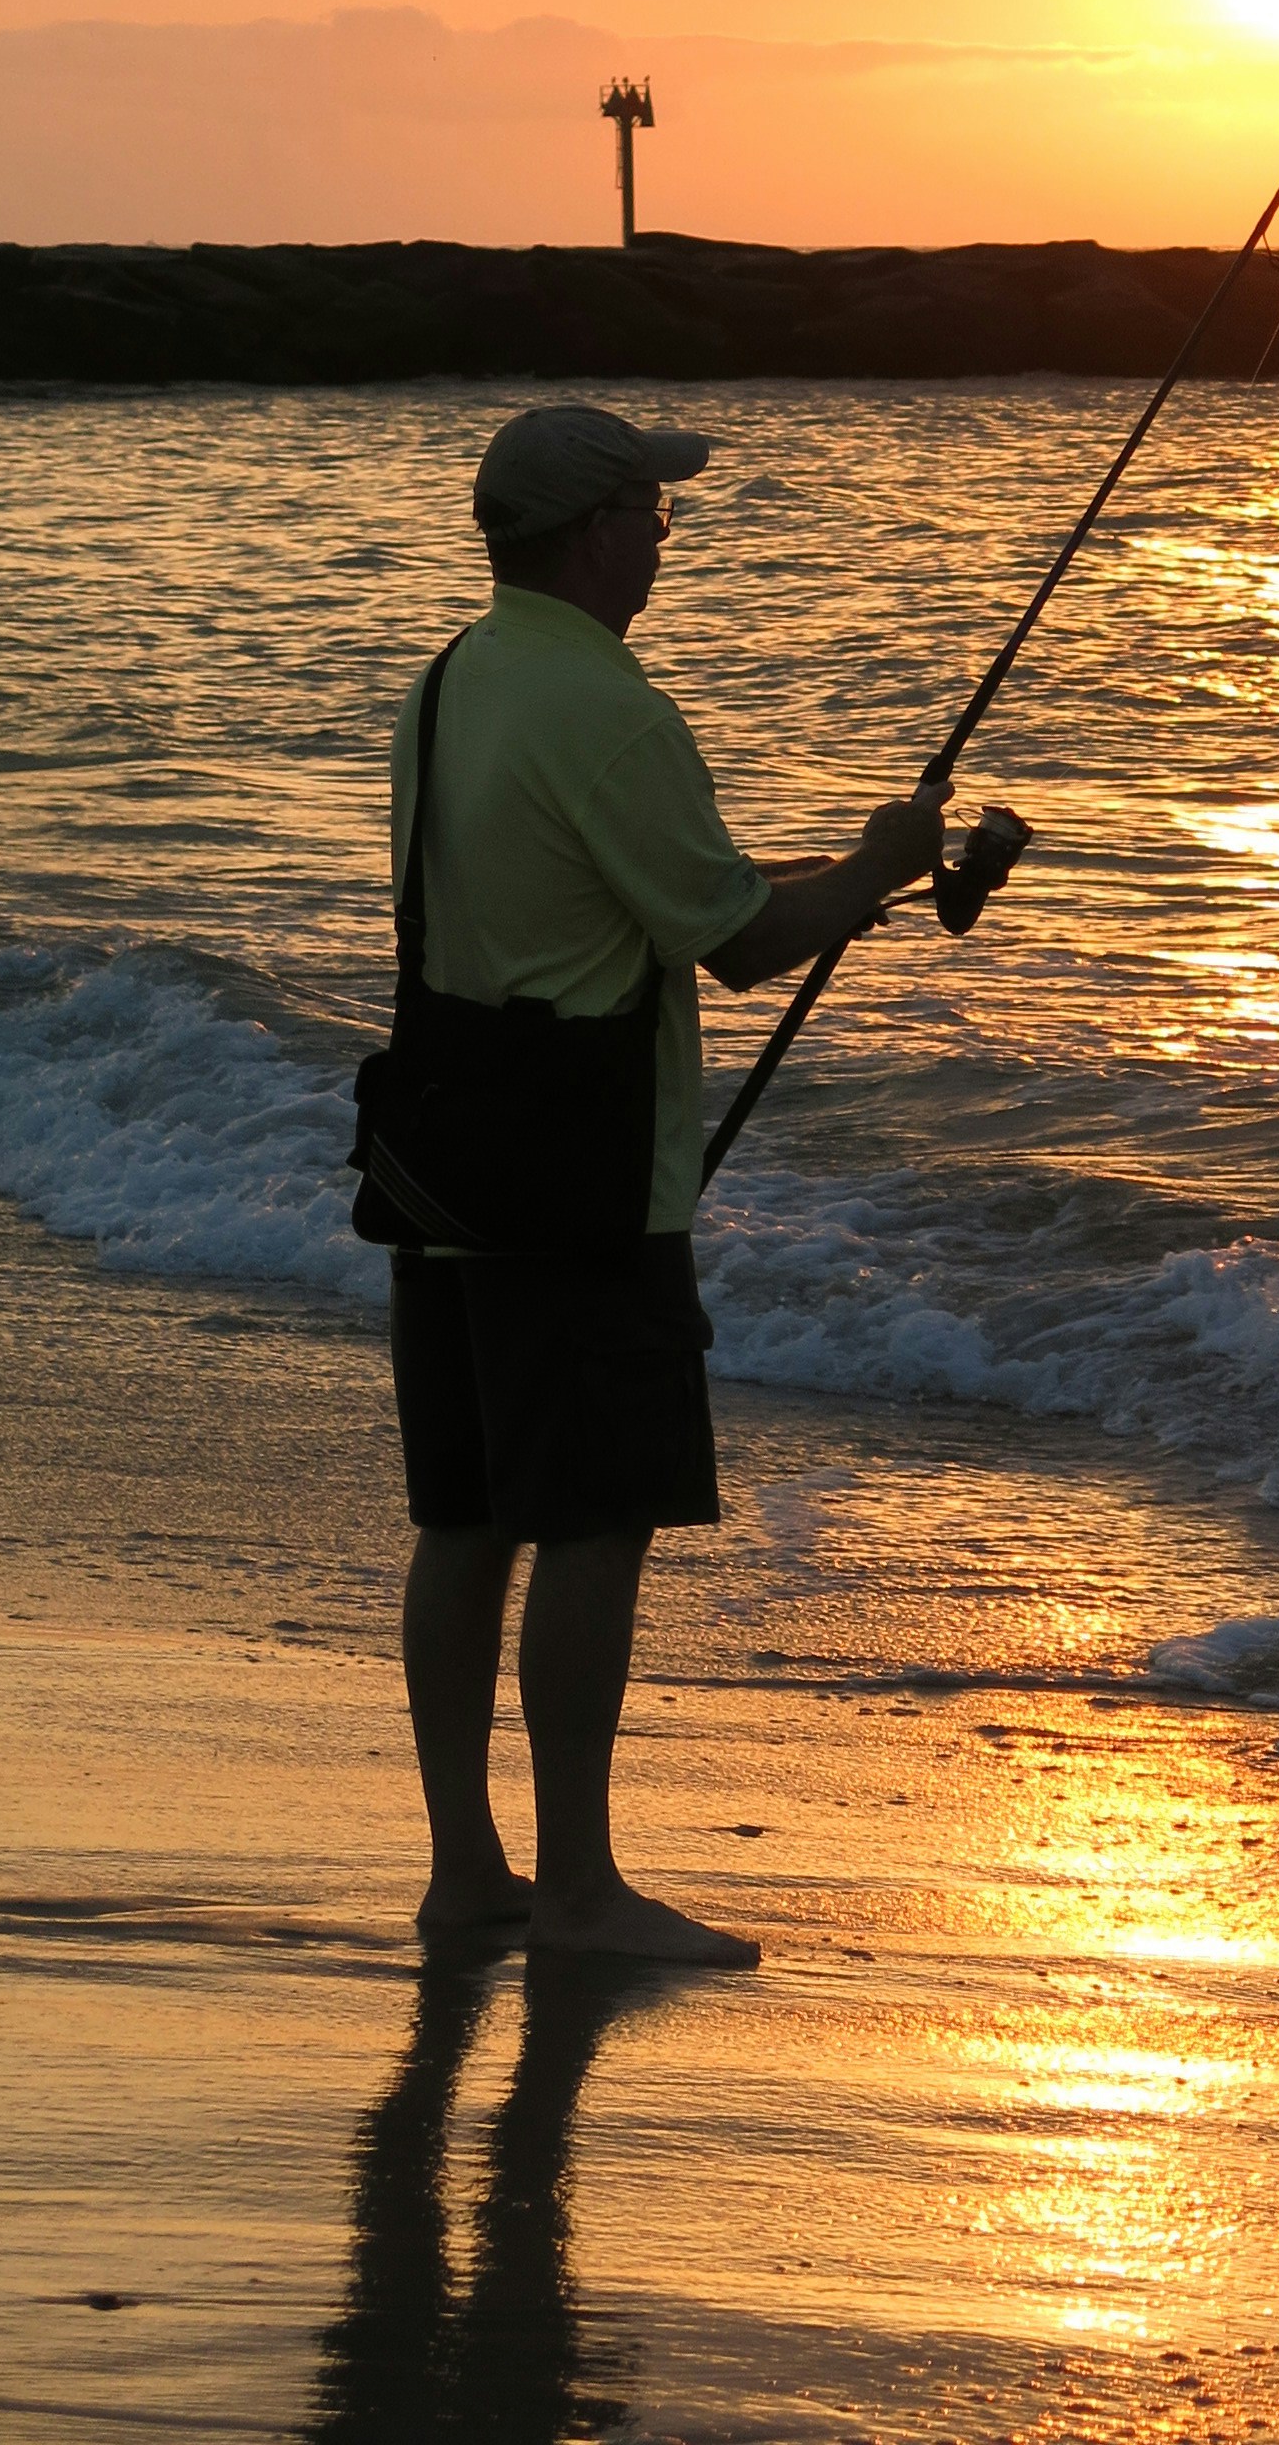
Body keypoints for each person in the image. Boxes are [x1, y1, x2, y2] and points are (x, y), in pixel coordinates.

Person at [386, 401, 960, 1966]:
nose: (668, 533)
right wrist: (883, 865)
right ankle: (576, 1895)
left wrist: (834, 874)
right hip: (577, 1180)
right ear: (588, 534)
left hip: (440, 1157)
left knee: (466, 1517)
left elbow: (607, 897)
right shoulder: (613, 710)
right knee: (590, 1524)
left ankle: (468, 1874)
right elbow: (742, 938)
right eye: (653, 510)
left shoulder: (450, 684)